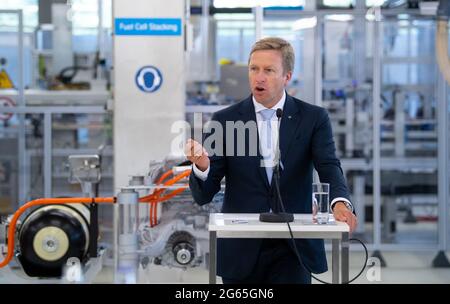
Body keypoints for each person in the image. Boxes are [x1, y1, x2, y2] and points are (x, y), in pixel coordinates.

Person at [185, 37, 357, 284]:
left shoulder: (313, 118)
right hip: (241, 246)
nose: (259, 77)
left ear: (287, 76)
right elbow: (204, 194)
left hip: (292, 246)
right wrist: (202, 166)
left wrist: (340, 203)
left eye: (269, 70)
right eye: (254, 69)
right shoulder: (224, 120)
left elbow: (329, 166)